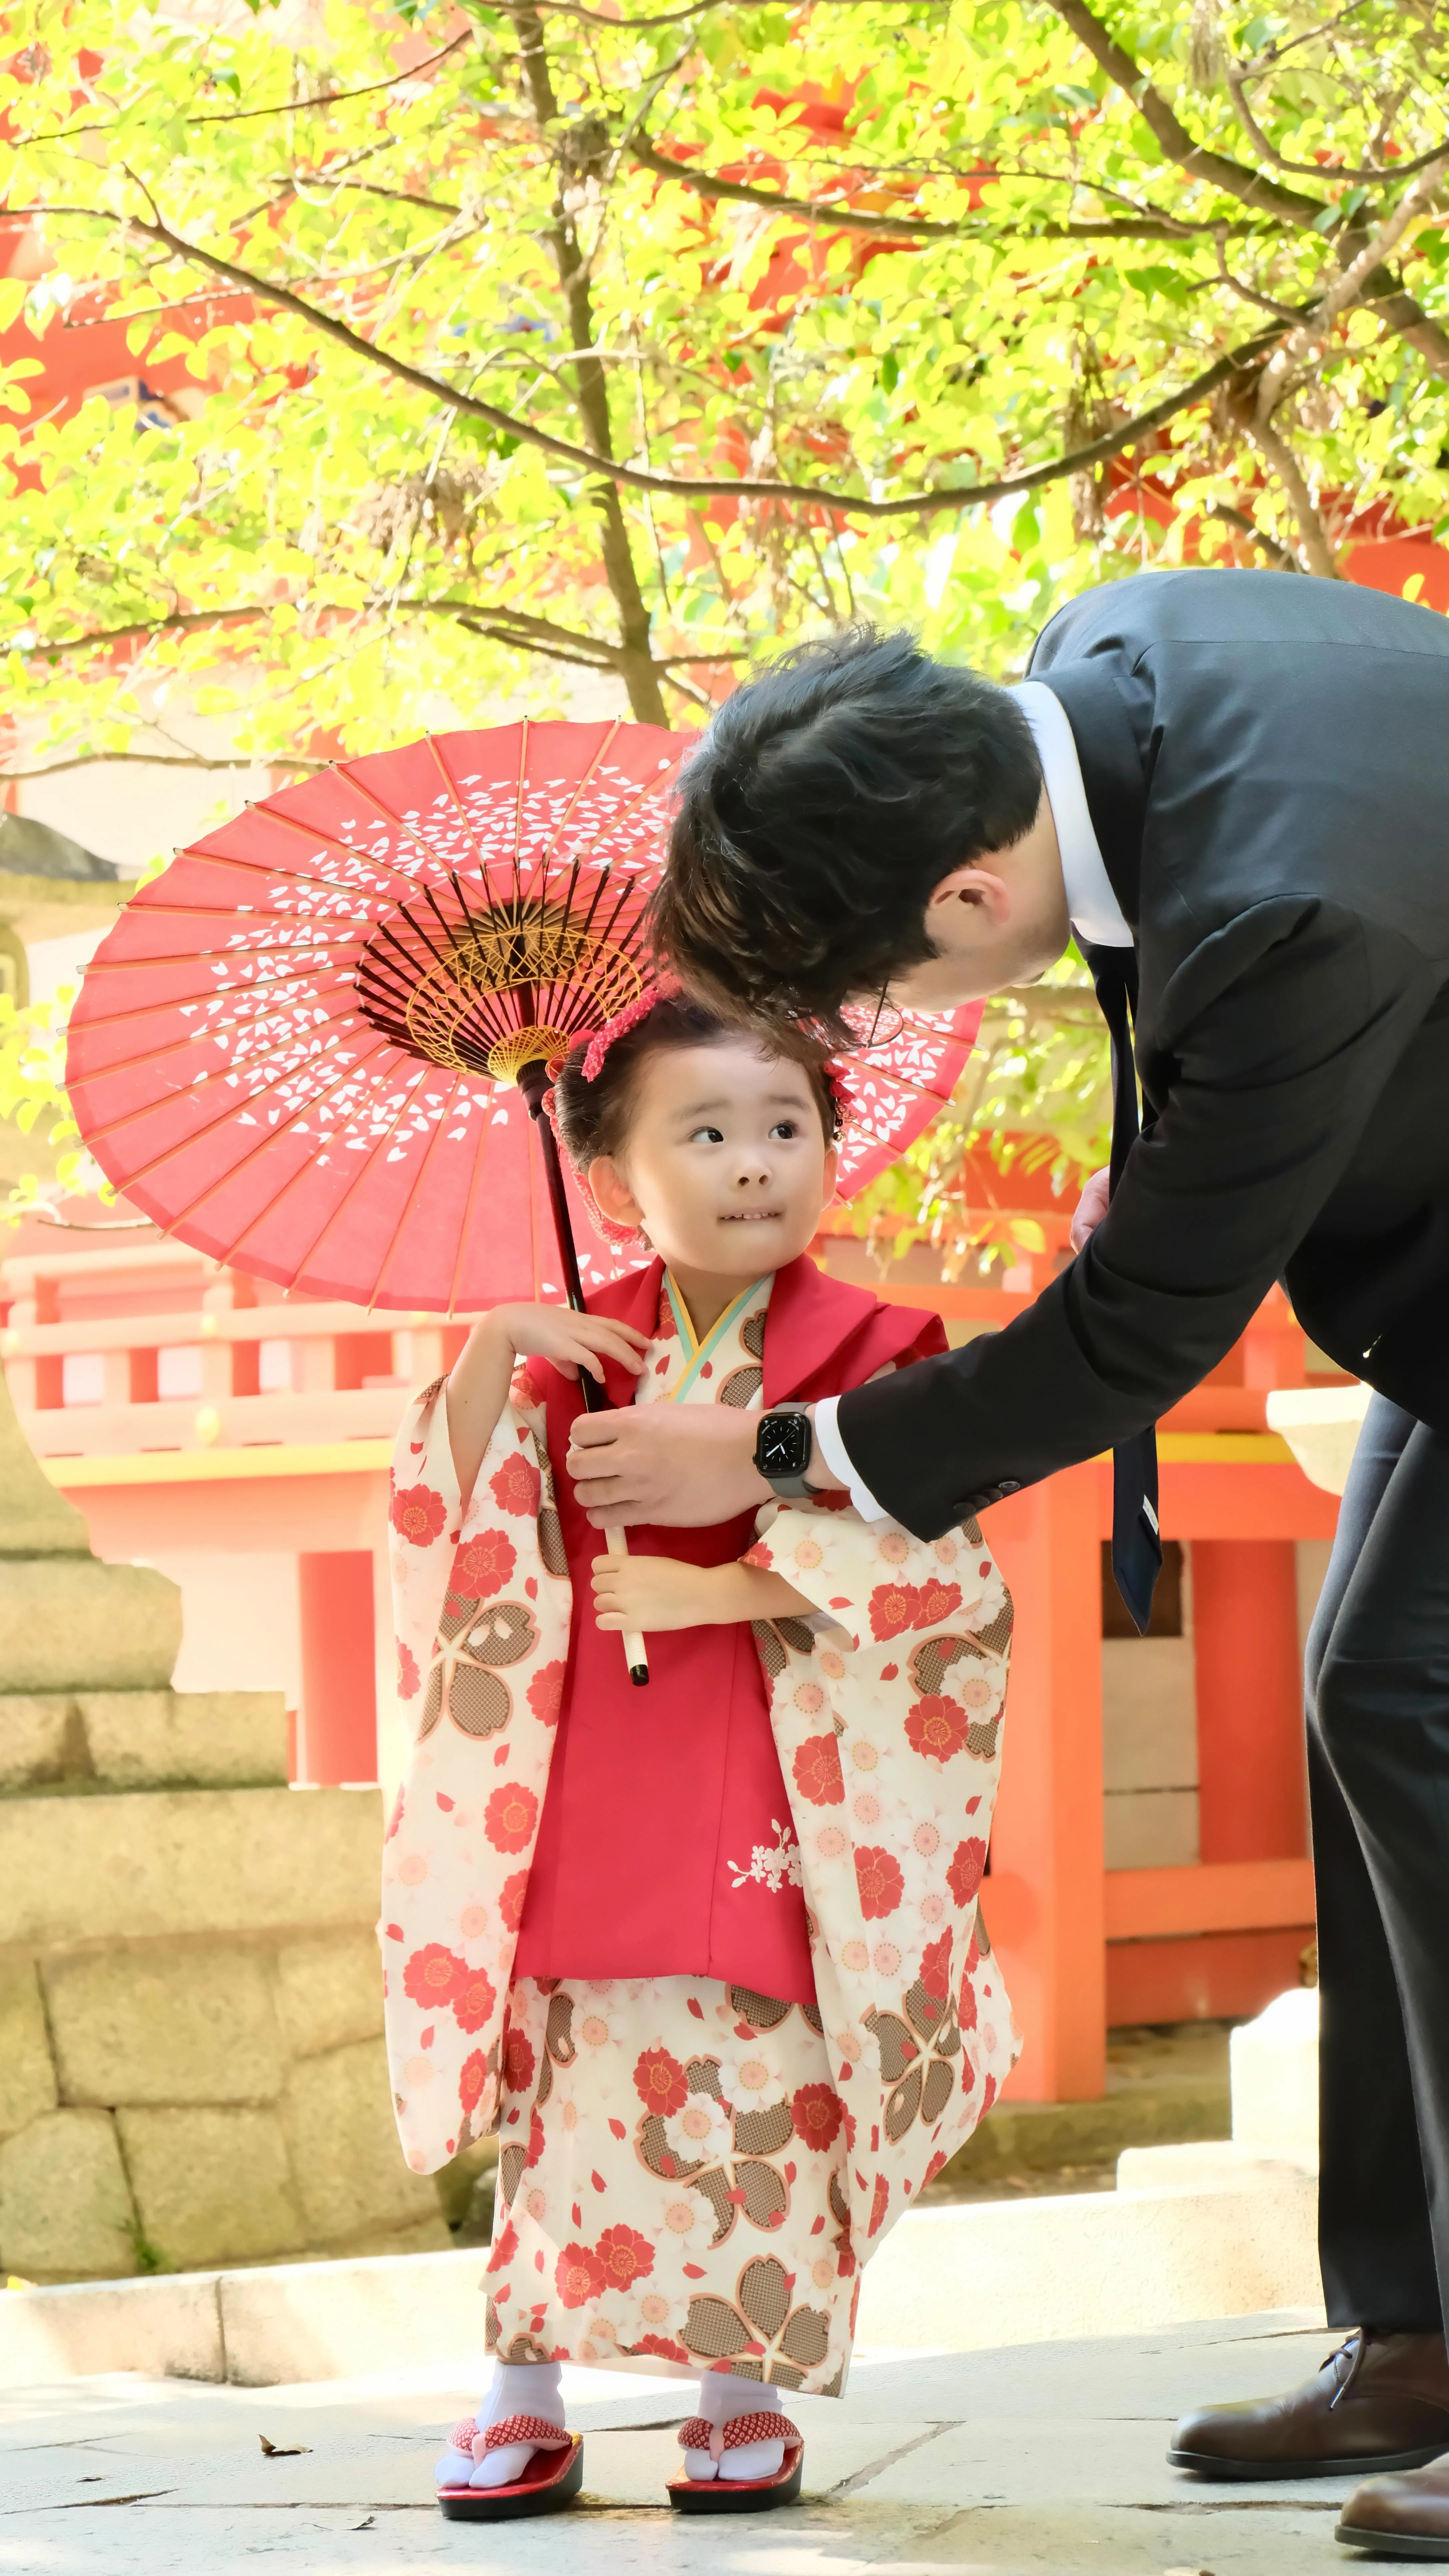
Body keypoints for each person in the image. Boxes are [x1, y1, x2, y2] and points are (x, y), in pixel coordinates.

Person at [566, 578, 1449, 2558]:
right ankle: (1416, 2330)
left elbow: (1137, 1332)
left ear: (965, 894)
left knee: (1414, 1700)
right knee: (1369, 1703)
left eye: (881, 985)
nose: (903, 1019)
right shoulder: (1108, 652)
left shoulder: (1283, 909)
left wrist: (774, 1446)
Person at [382, 990, 1018, 2522]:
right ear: (610, 1179)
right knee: (571, 2073)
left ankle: (738, 2396)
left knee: (757, 2072)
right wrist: (490, 1357)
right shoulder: (567, 1356)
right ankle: (521, 2385)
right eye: (708, 1132)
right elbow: (442, 1538)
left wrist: (724, 1583)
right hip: (592, 1760)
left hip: (777, 1768)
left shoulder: (876, 1346)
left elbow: (951, 1579)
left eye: (786, 1127)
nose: (754, 1164)